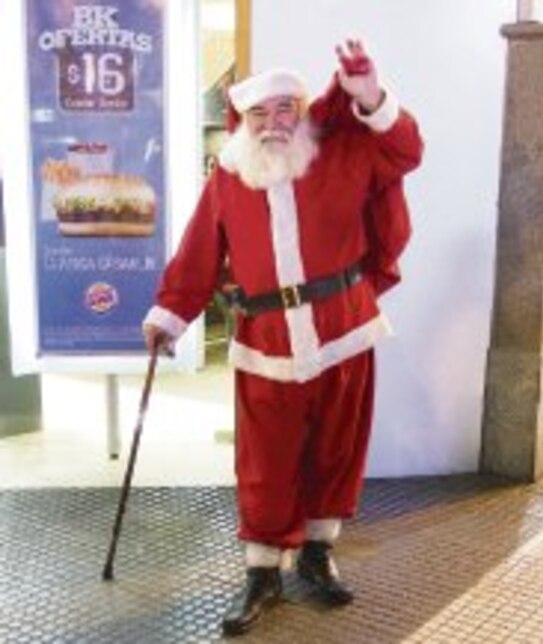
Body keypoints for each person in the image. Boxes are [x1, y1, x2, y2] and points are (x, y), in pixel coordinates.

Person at [142, 41, 423, 636]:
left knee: (335, 450)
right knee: (265, 461)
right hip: (265, 342)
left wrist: (371, 95)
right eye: (259, 113)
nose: (273, 123)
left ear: (303, 109)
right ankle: (263, 571)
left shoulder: (343, 151)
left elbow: (406, 151)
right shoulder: (228, 177)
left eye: (284, 109)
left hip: (343, 331)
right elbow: (198, 252)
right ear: (242, 121)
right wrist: (169, 316)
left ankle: (318, 553)